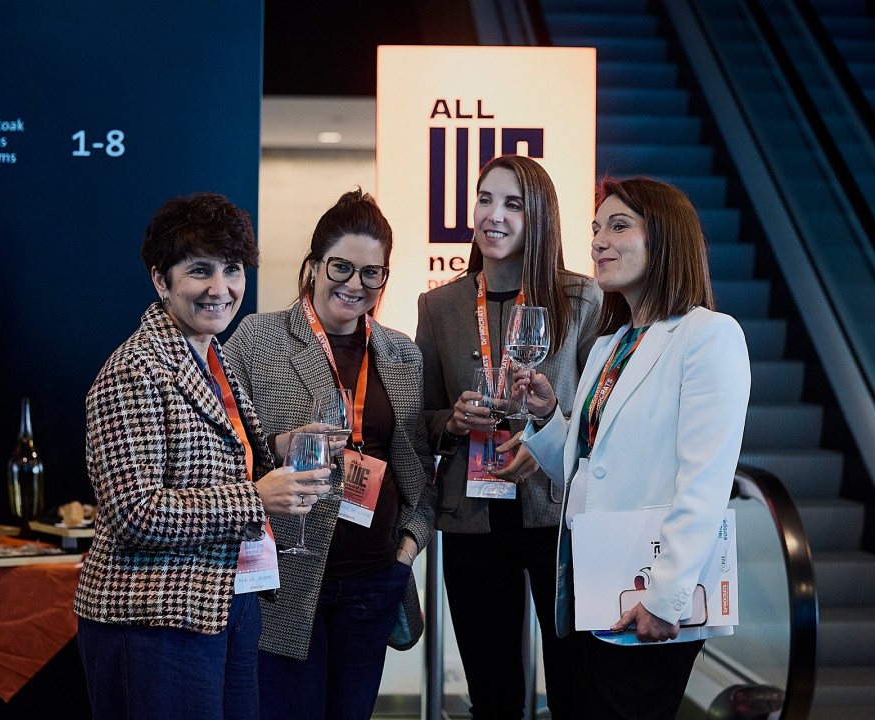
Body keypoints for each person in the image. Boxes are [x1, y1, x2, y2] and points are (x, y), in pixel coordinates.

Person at [74, 191, 330, 720]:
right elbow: (135, 514)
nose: (221, 288)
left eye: (232, 269)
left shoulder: (211, 356)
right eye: (199, 270)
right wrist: (255, 497)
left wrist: (273, 449)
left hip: (226, 604)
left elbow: (206, 458)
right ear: (160, 280)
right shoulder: (134, 371)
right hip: (153, 618)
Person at [513, 175, 752, 719]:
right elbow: (587, 472)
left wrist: (666, 596)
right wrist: (549, 417)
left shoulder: (709, 335)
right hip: (594, 584)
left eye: (619, 227)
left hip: (650, 589)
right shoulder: (611, 344)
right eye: (596, 229)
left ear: (665, 237)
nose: (599, 241)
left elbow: (706, 481)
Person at [224, 189, 437, 720]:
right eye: (341, 266)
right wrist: (279, 445)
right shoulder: (257, 339)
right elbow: (225, 450)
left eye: (371, 273)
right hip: (285, 582)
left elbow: (419, 469)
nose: (354, 284)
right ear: (315, 264)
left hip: (374, 577)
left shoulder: (402, 353)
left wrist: (406, 550)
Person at [415, 154, 603, 720]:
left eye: (512, 204)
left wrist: (546, 432)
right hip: (471, 519)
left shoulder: (582, 298)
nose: (493, 215)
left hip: (558, 516)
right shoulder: (439, 305)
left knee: (575, 689)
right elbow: (420, 417)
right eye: (485, 199)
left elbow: (600, 414)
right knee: (492, 696)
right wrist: (452, 421)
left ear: (538, 216)